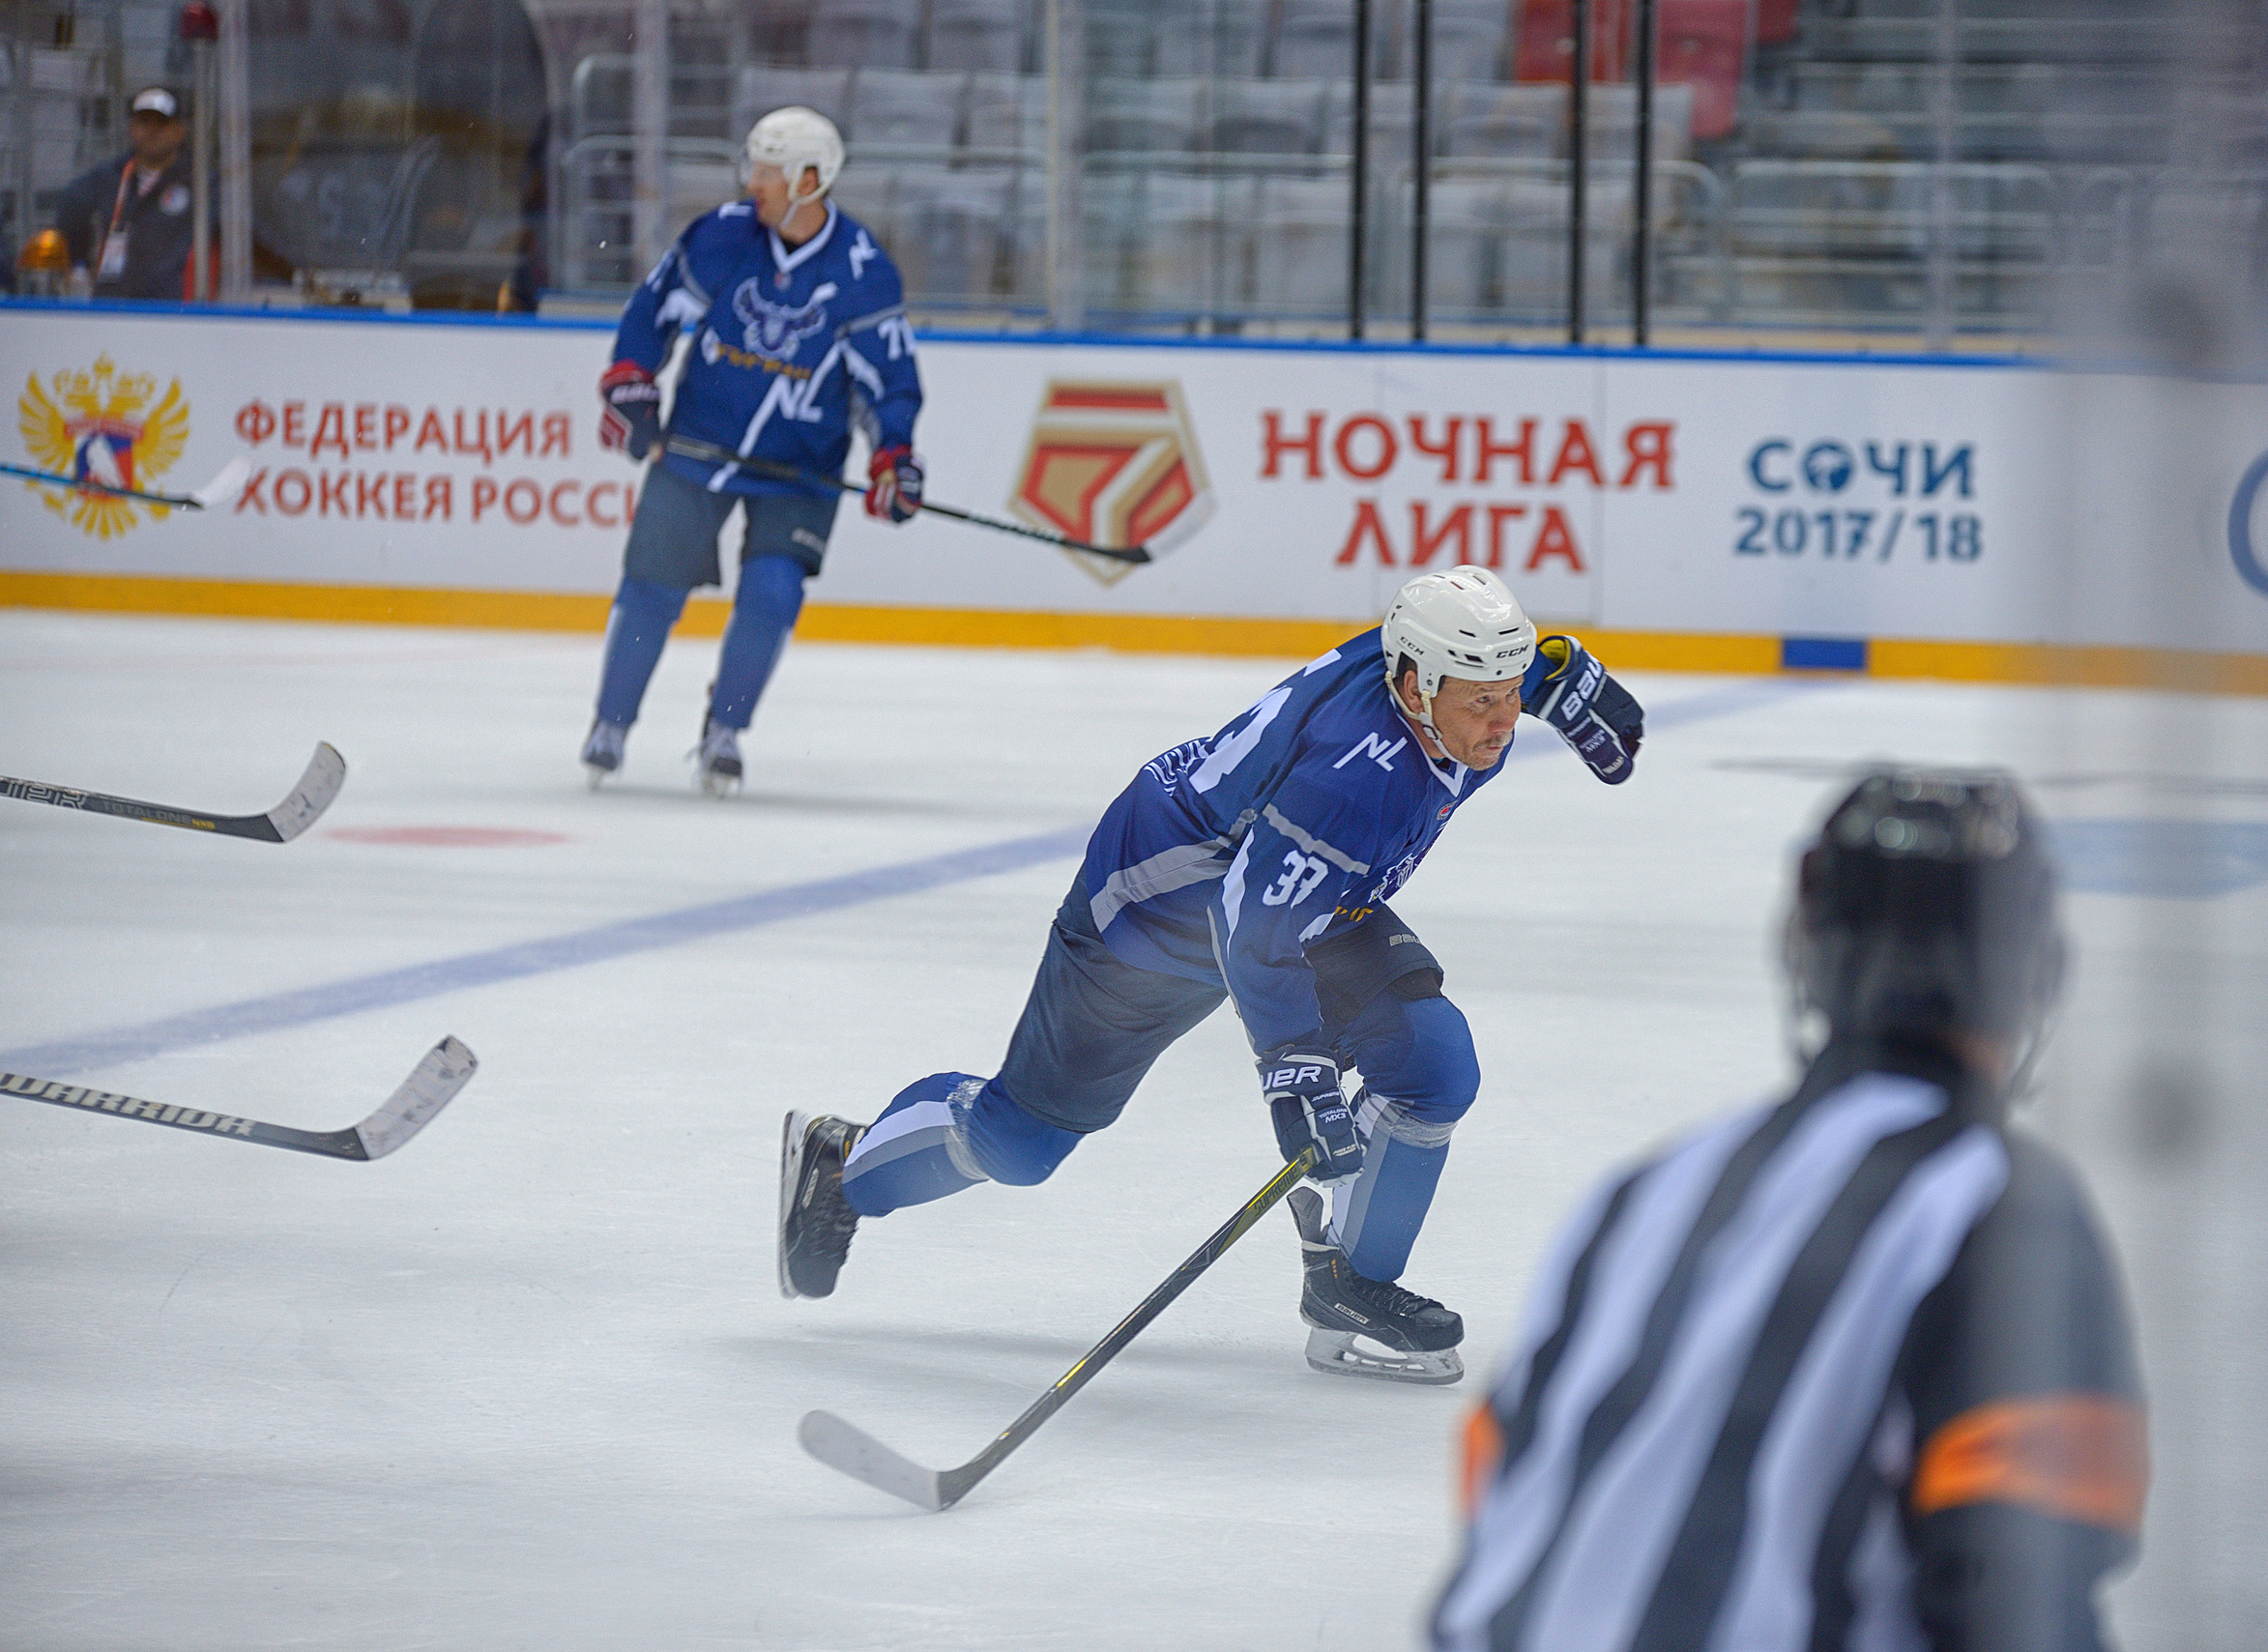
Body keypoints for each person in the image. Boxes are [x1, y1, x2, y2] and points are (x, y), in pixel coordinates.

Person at [778, 566, 1648, 1383]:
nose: (1501, 721)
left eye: (1510, 694)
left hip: (1288, 890)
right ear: (1420, 688)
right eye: (1484, 702)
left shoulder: (1431, 673)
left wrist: (1561, 679)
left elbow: (1492, 672)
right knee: (1021, 1143)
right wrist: (1295, 1068)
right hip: (1154, 912)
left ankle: (1350, 1283)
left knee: (1433, 1065)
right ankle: (844, 1160)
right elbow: (1249, 926)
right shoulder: (1356, 780)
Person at [1431, 768, 2147, 1652]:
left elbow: (1502, 1476)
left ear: (1810, 949)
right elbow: (2016, 1584)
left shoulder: (1648, 1189)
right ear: (2030, 974)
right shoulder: (2005, 1208)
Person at [583, 105, 923, 797]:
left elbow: (887, 381)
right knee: (651, 587)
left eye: (767, 170)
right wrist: (631, 381)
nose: (753, 182)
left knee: (773, 593)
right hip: (697, 447)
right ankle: (611, 723)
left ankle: (724, 731)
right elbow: (652, 311)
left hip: (801, 469)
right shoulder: (722, 236)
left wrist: (894, 454)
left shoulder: (862, 272)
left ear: (810, 178)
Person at [54, 88, 208, 302]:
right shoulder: (110, 176)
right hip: (113, 307)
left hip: (172, 312)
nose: (152, 131)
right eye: (144, 122)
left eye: (161, 123)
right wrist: (77, 262)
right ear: (131, 128)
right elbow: (72, 204)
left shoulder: (200, 182)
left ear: (179, 131)